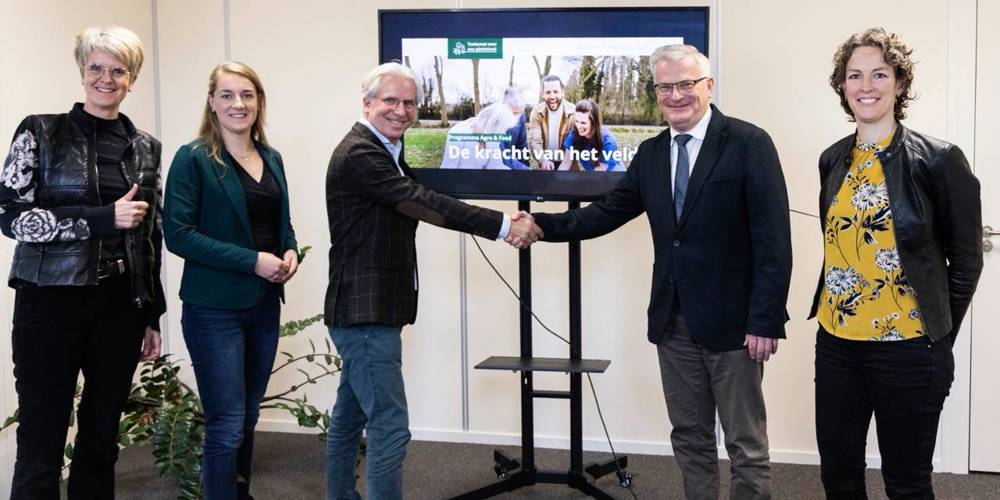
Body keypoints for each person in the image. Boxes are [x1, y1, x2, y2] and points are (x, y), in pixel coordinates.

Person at [529, 44, 792, 499]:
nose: (676, 95)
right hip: (673, 323)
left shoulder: (749, 143)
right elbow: (605, 213)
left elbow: (774, 240)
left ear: (707, 86)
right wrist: (538, 226)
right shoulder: (651, 154)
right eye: (665, 86)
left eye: (686, 84)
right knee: (689, 438)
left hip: (735, 326)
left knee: (745, 444)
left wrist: (765, 319)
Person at [324, 62, 542, 500]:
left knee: (349, 420)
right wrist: (503, 225)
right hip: (366, 311)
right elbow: (419, 200)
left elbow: (422, 195)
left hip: (366, 309)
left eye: (409, 103)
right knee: (389, 426)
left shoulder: (387, 149)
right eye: (390, 100)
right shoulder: (360, 153)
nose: (401, 110)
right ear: (367, 103)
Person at [811, 28, 982, 499]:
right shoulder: (833, 160)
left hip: (908, 348)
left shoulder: (940, 160)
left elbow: (966, 260)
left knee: (905, 482)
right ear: (843, 87)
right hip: (837, 344)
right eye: (855, 75)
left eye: (879, 74)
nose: (866, 85)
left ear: (899, 84)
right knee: (838, 477)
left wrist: (937, 332)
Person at [0, 25, 163, 498]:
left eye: (118, 70)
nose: (106, 78)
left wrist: (150, 312)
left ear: (132, 78)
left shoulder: (146, 147)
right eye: (96, 68)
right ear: (81, 71)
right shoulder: (39, 130)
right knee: (41, 437)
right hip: (48, 303)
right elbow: (10, 216)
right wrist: (98, 219)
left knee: (101, 437)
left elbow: (149, 234)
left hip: (118, 307)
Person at [163, 61, 298, 500]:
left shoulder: (271, 156)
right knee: (225, 422)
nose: (238, 104)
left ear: (259, 102)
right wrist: (252, 261)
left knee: (246, 418)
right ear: (212, 103)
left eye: (247, 95)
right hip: (213, 308)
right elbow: (179, 236)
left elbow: (281, 224)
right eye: (227, 95)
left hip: (263, 304)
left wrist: (289, 250)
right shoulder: (194, 158)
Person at [439, 102, 518, 169]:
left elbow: (496, 165)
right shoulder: (458, 132)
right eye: (503, 129)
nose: (503, 134)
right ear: (491, 125)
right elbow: (448, 169)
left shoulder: (491, 137)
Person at [557, 99, 621, 171]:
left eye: (583, 123)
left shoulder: (608, 141)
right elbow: (566, 163)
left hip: (612, 176)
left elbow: (599, 172)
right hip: (593, 174)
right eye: (577, 121)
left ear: (594, 123)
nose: (578, 126)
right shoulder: (574, 133)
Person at [528, 75, 575, 170]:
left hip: (568, 163)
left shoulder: (574, 112)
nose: (552, 96)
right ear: (543, 94)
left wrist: (565, 165)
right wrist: (543, 160)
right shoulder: (537, 112)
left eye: (556, 92)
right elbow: (535, 141)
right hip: (546, 163)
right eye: (548, 92)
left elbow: (574, 145)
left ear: (563, 92)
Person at [499, 86, 531, 170]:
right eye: (513, 113)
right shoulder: (495, 122)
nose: (516, 118)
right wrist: (525, 170)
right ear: (504, 107)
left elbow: (521, 146)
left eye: (519, 112)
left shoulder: (521, 117)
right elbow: (501, 156)